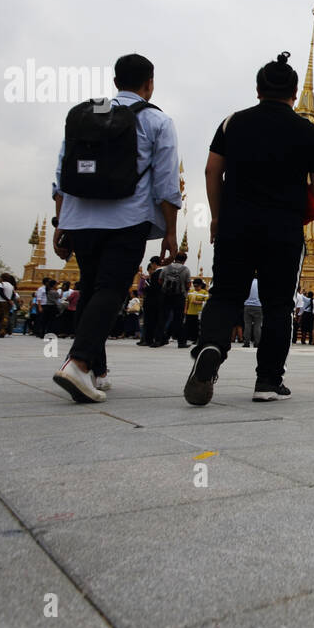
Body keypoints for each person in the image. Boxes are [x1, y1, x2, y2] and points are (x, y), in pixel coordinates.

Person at [185, 51, 314, 405]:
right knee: (278, 304)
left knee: (225, 295)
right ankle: (267, 380)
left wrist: (218, 215)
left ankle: (211, 348)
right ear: (294, 94)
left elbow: (210, 171)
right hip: (283, 229)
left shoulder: (233, 123)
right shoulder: (308, 131)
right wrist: (298, 200)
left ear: (257, 89)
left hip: (236, 223)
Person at [51, 53, 182, 401]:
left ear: (115, 83)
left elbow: (63, 171)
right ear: (149, 84)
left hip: (80, 217)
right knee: (110, 289)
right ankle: (78, 363)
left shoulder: (88, 114)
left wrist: (61, 221)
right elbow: (168, 184)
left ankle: (97, 369)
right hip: (127, 218)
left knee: (92, 288)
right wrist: (171, 231)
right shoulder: (158, 121)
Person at [161, 252, 192, 346]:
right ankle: (181, 342)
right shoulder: (186, 270)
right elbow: (188, 284)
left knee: (163, 318)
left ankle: (159, 339)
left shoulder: (167, 268)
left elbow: (160, 280)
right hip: (179, 296)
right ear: (184, 260)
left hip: (166, 295)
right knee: (178, 319)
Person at [182, 278, 208, 347]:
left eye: (197, 286)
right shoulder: (190, 291)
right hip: (190, 312)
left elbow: (206, 302)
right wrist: (185, 309)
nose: (196, 287)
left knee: (197, 327)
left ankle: (197, 339)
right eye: (194, 286)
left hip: (199, 313)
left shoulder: (204, 292)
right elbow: (186, 301)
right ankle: (187, 338)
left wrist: (198, 302)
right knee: (188, 326)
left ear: (201, 285)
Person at [243, 277, 263, 348]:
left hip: (247, 305)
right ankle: (257, 342)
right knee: (257, 325)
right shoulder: (261, 283)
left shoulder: (248, 282)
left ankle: (246, 342)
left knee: (247, 325)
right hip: (258, 306)